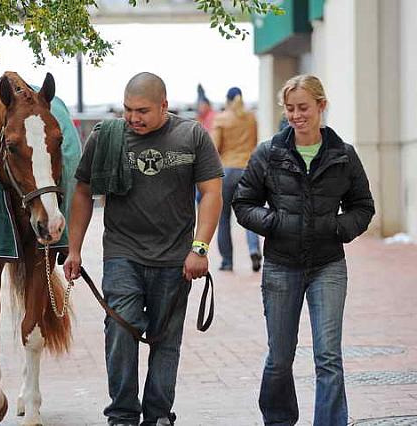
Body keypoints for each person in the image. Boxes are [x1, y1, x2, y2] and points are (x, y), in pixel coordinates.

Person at [63, 72, 223, 426]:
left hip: (175, 258)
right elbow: (82, 192)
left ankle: (158, 415)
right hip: (123, 253)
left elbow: (211, 193)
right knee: (120, 329)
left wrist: (200, 248)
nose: (133, 118)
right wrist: (73, 249)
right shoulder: (107, 137)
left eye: (142, 111)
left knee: (166, 341)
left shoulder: (191, 135)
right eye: (128, 109)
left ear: (164, 105)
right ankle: (122, 414)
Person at [232, 74, 375, 425]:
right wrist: (276, 223)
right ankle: (279, 420)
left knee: (328, 356)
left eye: (304, 108)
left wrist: (338, 228)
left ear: (321, 106)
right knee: (280, 357)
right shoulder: (269, 153)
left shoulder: (343, 155)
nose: (297, 115)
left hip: (328, 265)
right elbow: (243, 202)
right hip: (281, 265)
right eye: (291, 109)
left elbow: (363, 206)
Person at [210, 86, 261, 272]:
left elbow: (214, 147)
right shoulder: (250, 118)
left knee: (223, 218)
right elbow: (254, 143)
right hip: (247, 169)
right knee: (251, 214)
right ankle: (254, 249)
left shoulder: (221, 119)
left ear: (227, 99)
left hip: (227, 170)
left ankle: (227, 261)